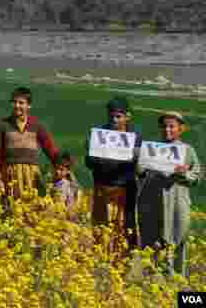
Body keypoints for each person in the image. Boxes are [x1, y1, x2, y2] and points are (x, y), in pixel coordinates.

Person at [137, 112, 200, 278]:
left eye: (171, 126)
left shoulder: (188, 151)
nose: (167, 129)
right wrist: (140, 165)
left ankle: (176, 279)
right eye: (164, 126)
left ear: (181, 129)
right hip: (153, 201)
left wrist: (184, 174)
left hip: (178, 202)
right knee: (153, 239)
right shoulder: (152, 149)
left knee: (178, 237)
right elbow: (140, 173)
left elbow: (196, 177)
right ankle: (152, 278)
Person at [85, 96, 141, 254]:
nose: (114, 120)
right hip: (103, 187)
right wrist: (91, 153)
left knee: (125, 226)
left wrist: (135, 155)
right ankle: (100, 257)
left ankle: (123, 263)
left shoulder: (135, 136)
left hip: (125, 189)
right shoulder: (99, 136)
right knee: (101, 224)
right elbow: (89, 163)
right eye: (112, 116)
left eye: (118, 116)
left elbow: (139, 166)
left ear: (127, 116)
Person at [0, 87, 60, 203]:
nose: (17, 106)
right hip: (10, 174)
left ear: (29, 106)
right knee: (11, 207)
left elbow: (50, 149)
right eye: (14, 102)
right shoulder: (2, 125)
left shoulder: (37, 125)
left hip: (31, 174)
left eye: (21, 103)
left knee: (32, 207)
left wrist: (61, 165)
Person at [51, 152, 81, 219]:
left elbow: (61, 201)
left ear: (67, 171)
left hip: (62, 214)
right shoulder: (58, 182)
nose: (57, 171)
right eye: (56, 168)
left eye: (61, 170)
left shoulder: (63, 184)